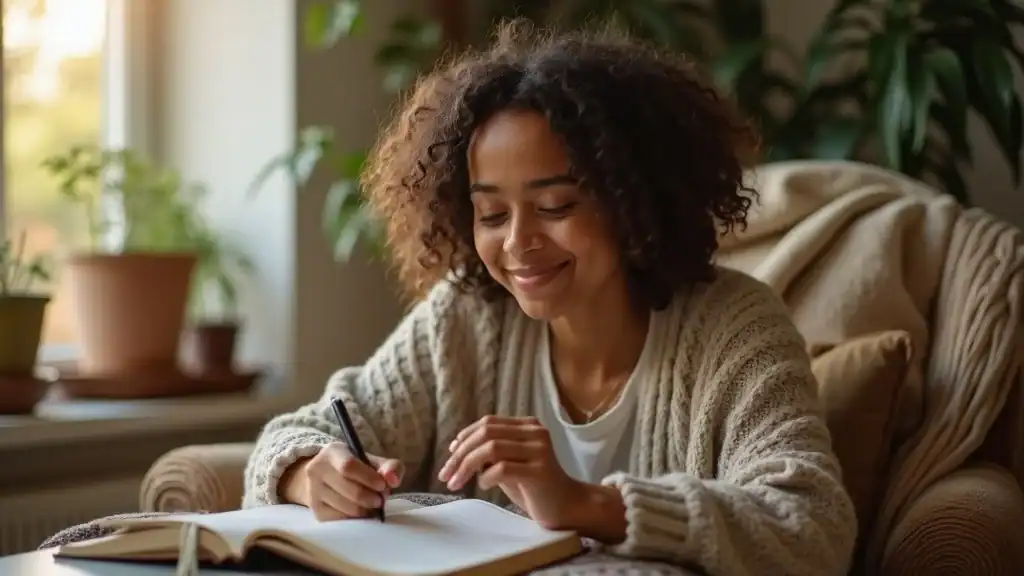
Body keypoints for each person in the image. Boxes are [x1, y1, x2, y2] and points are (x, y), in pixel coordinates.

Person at [243, 20, 857, 576]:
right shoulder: (468, 317)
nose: (518, 243)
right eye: (490, 214)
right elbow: (304, 431)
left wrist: (583, 504)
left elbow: (812, 528)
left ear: (631, 200)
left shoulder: (734, 328)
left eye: (556, 207)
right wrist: (309, 472)